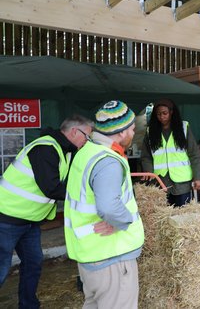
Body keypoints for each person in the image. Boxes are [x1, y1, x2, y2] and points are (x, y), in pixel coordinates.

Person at [0, 115, 93, 308]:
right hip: (7, 219)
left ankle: (28, 305)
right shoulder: (45, 148)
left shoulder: (64, 151)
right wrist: (88, 196)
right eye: (87, 136)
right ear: (75, 132)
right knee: (2, 268)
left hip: (29, 221)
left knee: (33, 264)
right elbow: (50, 187)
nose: (87, 141)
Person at [64, 100, 144, 308]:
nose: (134, 133)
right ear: (121, 132)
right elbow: (108, 207)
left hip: (92, 256)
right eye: (132, 128)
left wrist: (113, 218)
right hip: (111, 258)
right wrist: (122, 220)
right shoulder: (107, 161)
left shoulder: (87, 152)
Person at [141, 98, 200, 207]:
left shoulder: (184, 128)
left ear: (171, 112)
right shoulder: (150, 132)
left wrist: (197, 177)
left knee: (183, 214)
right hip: (160, 181)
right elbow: (146, 156)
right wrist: (149, 172)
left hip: (182, 182)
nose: (161, 116)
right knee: (164, 215)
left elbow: (194, 154)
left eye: (164, 113)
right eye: (158, 114)